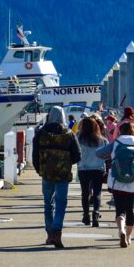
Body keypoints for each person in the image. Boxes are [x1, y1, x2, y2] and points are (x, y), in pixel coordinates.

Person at [97, 122, 134, 248]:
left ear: (120, 131)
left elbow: (98, 153)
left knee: (120, 210)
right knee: (130, 209)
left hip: (117, 182)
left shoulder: (117, 143)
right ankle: (128, 237)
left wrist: (111, 157)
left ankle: (121, 230)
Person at [33, 106, 81, 248]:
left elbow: (35, 155)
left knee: (48, 203)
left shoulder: (41, 133)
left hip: (46, 173)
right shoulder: (68, 133)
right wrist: (65, 162)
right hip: (63, 174)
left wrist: (40, 169)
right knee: (61, 203)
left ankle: (49, 235)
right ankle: (57, 232)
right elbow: (78, 155)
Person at [76, 117, 109, 227]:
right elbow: (108, 154)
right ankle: (96, 213)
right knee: (97, 193)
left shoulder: (78, 138)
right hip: (98, 169)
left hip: (83, 169)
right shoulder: (102, 140)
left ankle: (86, 215)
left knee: (85, 193)